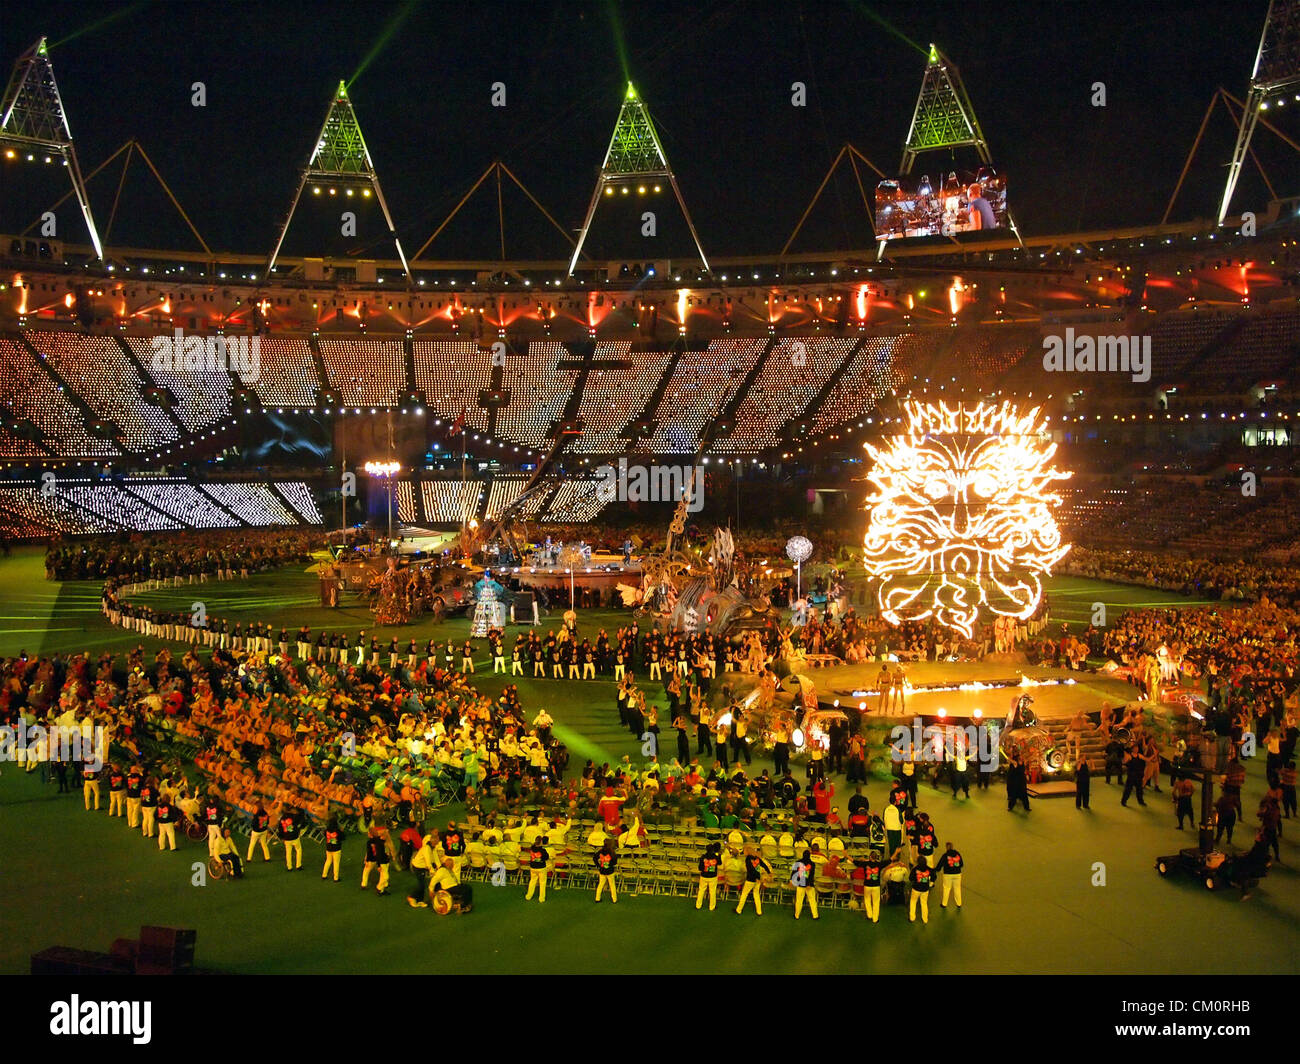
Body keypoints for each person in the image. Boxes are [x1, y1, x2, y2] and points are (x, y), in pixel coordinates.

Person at [735, 845, 771, 916]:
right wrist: (768, 872)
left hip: (750, 879)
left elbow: (751, 870)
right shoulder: (757, 858)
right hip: (758, 880)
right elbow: (763, 865)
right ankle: (759, 911)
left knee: (744, 894)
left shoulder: (748, 859)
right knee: (756, 894)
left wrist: (757, 877)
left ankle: (739, 910)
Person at [361, 826, 393, 895]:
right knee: (383, 873)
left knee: (366, 871)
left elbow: (369, 852)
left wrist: (366, 860)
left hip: (373, 859)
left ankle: (364, 884)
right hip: (379, 859)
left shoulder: (369, 842)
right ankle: (384, 885)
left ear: (370, 834)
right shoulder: (379, 840)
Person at [791, 849, 819, 920]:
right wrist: (809, 883)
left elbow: (793, 873)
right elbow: (811, 875)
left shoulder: (798, 862)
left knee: (799, 900)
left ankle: (797, 915)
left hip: (800, 884)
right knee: (812, 900)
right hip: (809, 885)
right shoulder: (812, 864)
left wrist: (792, 880)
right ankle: (815, 915)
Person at [908, 856, 935, 923]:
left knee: (913, 901)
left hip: (916, 888)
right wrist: (930, 882)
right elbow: (934, 876)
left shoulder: (915, 869)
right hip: (925, 889)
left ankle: (912, 918)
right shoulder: (929, 869)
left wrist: (915, 880)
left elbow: (910, 878)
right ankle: (925, 919)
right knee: (924, 903)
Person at [859, 851, 884, 923]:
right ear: (877, 858)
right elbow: (889, 860)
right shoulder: (879, 864)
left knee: (867, 900)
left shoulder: (865, 864)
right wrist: (896, 852)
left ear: (870, 857)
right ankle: (875, 919)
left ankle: (869, 915)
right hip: (876, 886)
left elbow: (855, 861)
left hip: (867, 885)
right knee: (876, 902)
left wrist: (846, 855)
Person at [696, 842, 721, 911]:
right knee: (712, 891)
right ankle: (712, 907)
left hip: (704, 876)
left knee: (701, 890)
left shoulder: (703, 857)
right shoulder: (715, 857)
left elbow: (700, 868)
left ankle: (698, 905)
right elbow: (720, 863)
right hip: (713, 877)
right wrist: (719, 855)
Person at [278, 805, 304, 870]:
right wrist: (298, 807)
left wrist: (282, 837)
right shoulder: (294, 817)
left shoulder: (282, 819)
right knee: (298, 850)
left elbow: (280, 829)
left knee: (288, 852)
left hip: (286, 838)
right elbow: (301, 815)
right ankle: (298, 865)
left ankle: (289, 867)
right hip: (294, 836)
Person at [939, 842, 963, 909]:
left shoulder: (945, 855)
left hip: (947, 875)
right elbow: (961, 864)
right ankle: (959, 903)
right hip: (957, 874)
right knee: (957, 888)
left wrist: (936, 870)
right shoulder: (957, 854)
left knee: (946, 888)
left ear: (946, 847)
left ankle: (944, 904)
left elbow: (940, 864)